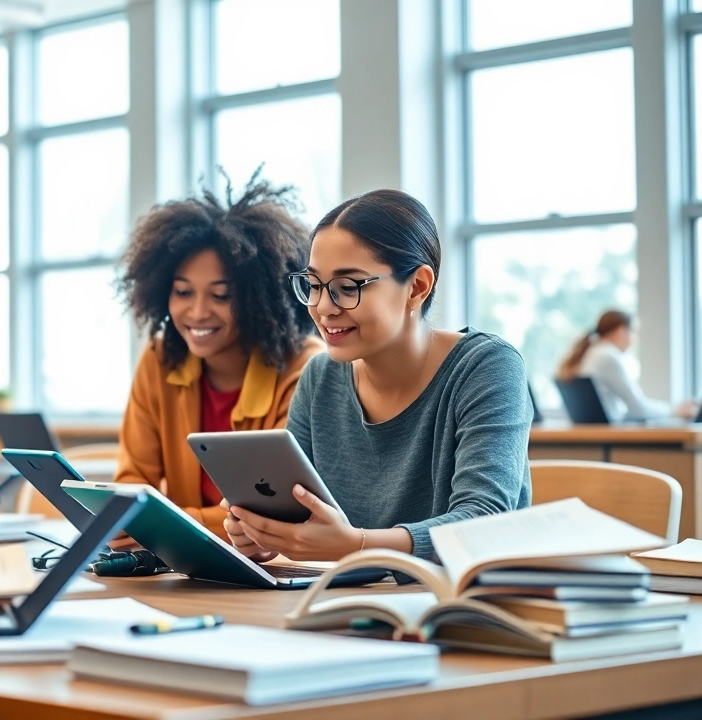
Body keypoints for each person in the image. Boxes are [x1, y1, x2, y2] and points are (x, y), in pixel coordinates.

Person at [223, 188, 531, 563]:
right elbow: (299, 511)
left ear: (417, 286)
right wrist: (264, 532)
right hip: (346, 600)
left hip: (458, 602)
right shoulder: (320, 377)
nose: (322, 308)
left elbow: (484, 522)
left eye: (347, 287)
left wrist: (358, 545)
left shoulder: (487, 366)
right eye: (315, 285)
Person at [114, 173, 325, 540]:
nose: (196, 313)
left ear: (262, 299)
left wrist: (158, 522)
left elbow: (274, 508)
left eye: (221, 296)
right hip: (183, 566)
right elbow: (133, 479)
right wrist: (134, 518)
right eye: (182, 292)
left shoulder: (306, 368)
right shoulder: (160, 359)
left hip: (271, 565)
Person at [556, 310, 698, 422]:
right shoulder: (607, 355)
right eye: (633, 332)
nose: (634, 340)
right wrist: (675, 411)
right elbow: (638, 408)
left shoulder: (592, 352)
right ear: (620, 330)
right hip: (610, 435)